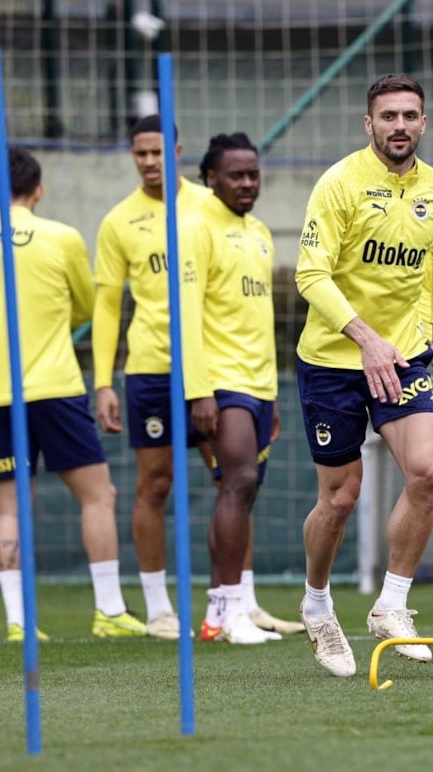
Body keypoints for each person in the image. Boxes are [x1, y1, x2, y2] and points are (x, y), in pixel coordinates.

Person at [93, 115, 301, 640]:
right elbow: (107, 303)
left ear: (179, 153)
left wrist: (267, 388)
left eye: (157, 151)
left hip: (224, 371)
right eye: (140, 153)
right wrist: (103, 380)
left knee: (235, 482)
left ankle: (239, 603)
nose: (149, 162)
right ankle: (160, 608)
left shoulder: (222, 213)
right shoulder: (122, 221)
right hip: (156, 368)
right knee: (157, 483)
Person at [294, 73, 433, 677]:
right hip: (333, 359)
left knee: (429, 470)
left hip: (405, 354)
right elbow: (310, 275)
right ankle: (317, 605)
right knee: (341, 497)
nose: (399, 126)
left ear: (424, 123)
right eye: (388, 116)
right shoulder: (339, 183)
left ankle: (391, 605)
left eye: (409, 115)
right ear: (369, 124)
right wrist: (365, 339)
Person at [0, 147, 146, 641]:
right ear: (39, 191)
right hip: (57, 388)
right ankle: (109, 612)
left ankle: (19, 623)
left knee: (11, 509)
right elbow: (87, 306)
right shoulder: (62, 237)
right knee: (98, 496)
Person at [179, 132, 282, 645]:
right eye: (235, 175)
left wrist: (273, 394)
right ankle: (233, 610)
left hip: (259, 384)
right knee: (238, 482)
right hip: (221, 382)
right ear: (211, 178)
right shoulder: (195, 227)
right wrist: (199, 391)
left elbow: (260, 318)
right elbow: (186, 315)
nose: (247, 183)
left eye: (253, 174)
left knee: (242, 490)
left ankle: (221, 614)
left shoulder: (260, 231)